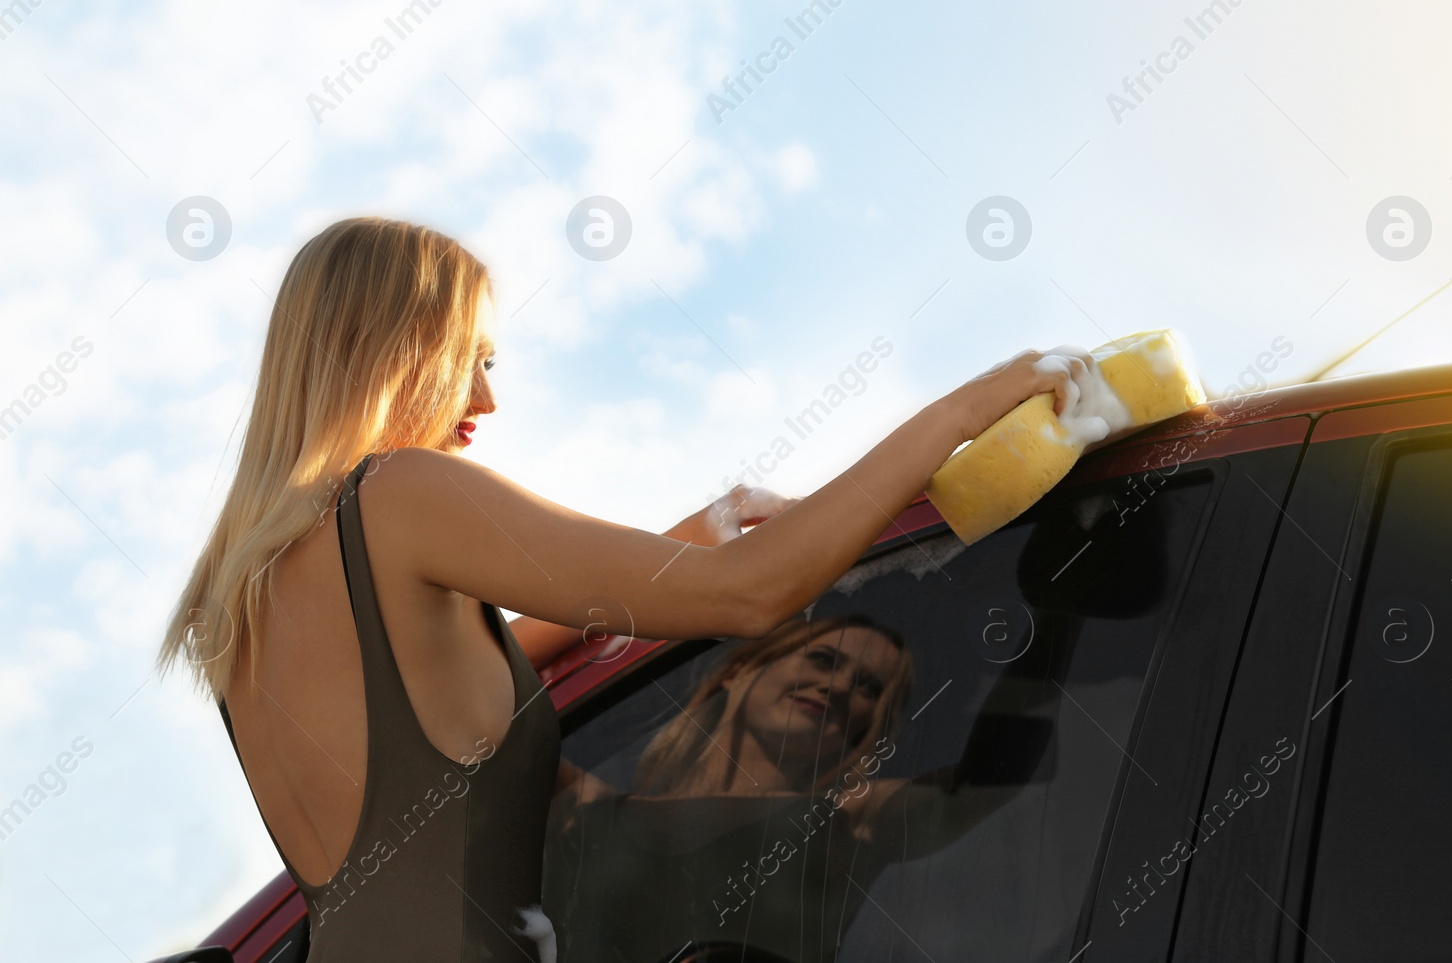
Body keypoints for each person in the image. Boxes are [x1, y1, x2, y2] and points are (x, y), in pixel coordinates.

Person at [155, 216, 1091, 963]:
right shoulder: (403, 494)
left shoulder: (237, 598)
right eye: (471, 357)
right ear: (393, 346)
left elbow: (444, 713)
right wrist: (972, 407)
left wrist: (656, 559)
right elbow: (750, 594)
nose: (486, 401)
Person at [542, 608, 1063, 963]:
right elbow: (488, 693)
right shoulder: (585, 806)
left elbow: (996, 774)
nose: (839, 687)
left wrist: (1058, 613)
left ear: (870, 727)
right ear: (739, 669)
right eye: (824, 660)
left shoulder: (852, 815)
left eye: (869, 688)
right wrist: (710, 539)